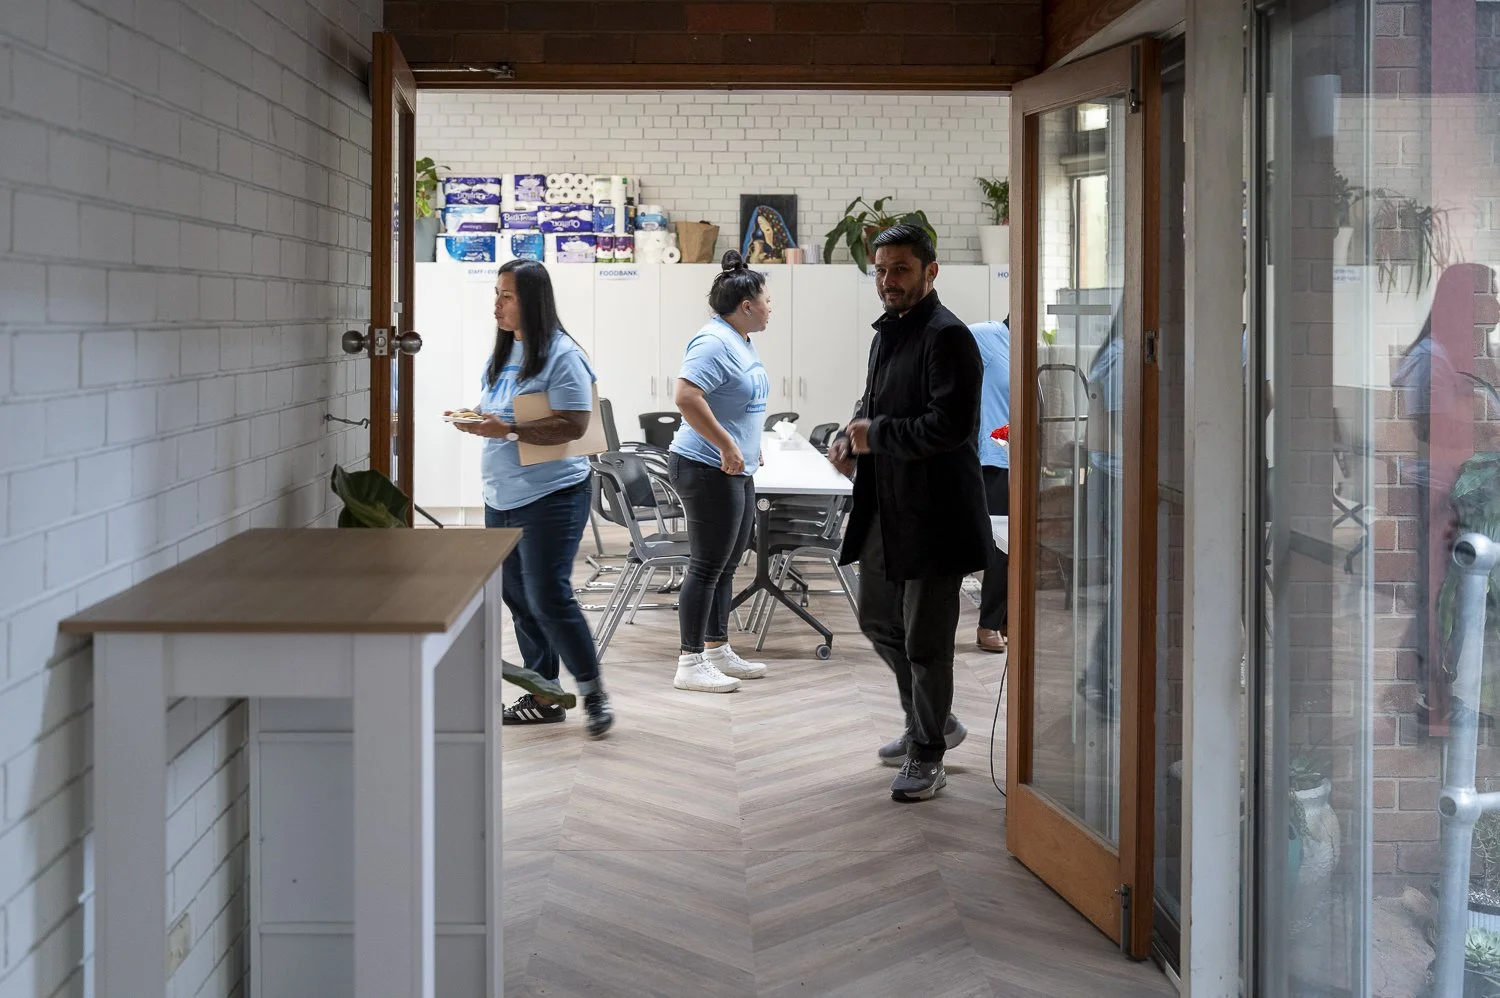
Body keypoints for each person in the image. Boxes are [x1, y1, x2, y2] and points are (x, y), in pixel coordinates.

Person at [829, 224, 990, 802]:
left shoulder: (949, 337)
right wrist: (850, 439)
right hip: (885, 506)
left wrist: (878, 435)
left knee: (926, 642)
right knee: (877, 619)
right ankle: (935, 718)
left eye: (900, 269)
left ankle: (928, 753)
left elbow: (951, 426)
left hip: (934, 516)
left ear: (931, 271)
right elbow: (873, 403)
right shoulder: (888, 334)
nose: (888, 281)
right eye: (880, 270)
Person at [449, 259, 613, 737]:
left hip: (551, 495)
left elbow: (574, 425)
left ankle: (593, 692)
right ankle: (544, 695)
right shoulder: (503, 354)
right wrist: (473, 417)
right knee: (519, 598)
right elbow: (494, 410)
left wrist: (509, 429)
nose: (496, 305)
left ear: (533, 301)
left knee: (549, 596)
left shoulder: (563, 356)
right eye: (497, 295)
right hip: (501, 496)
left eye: (507, 296)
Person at [667, 250, 774, 693]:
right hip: (706, 466)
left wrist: (749, 446)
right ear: (746, 305)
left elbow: (737, 404)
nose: (771, 307)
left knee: (728, 564)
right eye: (766, 299)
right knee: (707, 565)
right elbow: (687, 396)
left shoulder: (739, 340)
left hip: (735, 467)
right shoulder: (713, 341)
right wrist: (728, 445)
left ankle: (716, 648)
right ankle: (689, 662)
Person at [972, 318, 1011, 654]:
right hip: (988, 457)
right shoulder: (986, 336)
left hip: (1017, 458)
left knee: (1012, 547)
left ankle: (1004, 617)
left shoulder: (1028, 348)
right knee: (997, 547)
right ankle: (988, 624)